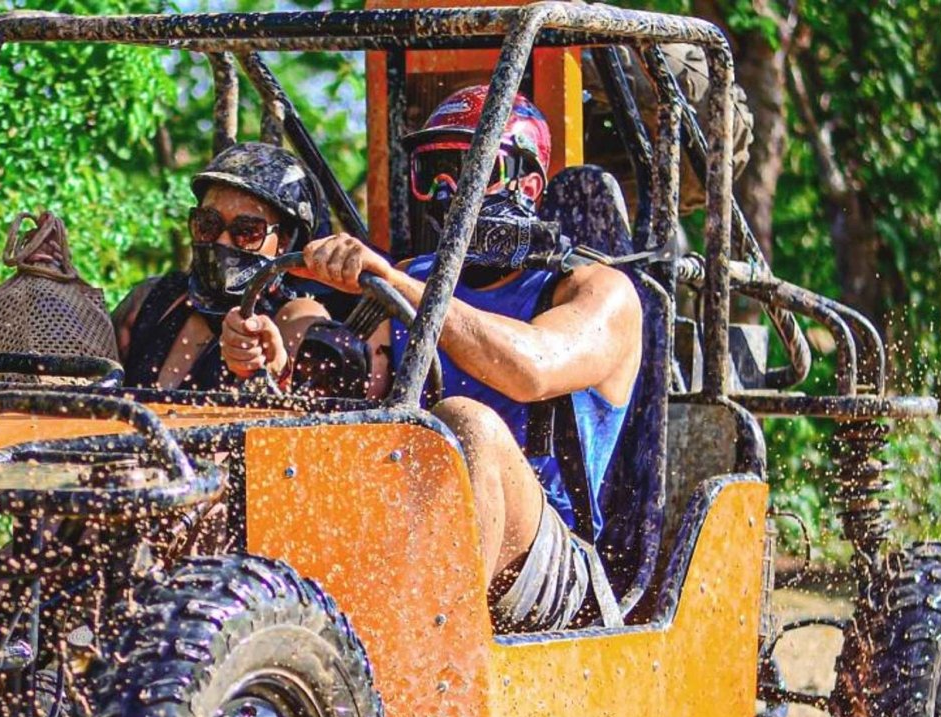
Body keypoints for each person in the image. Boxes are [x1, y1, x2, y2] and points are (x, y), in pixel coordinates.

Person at [296, 87, 644, 632]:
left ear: (527, 185)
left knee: (466, 427)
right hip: (409, 527)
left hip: (551, 563)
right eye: (433, 171)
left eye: (468, 168)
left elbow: (531, 368)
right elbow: (358, 400)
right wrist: (277, 348)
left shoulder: (596, 290)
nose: (445, 192)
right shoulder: (414, 274)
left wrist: (401, 286)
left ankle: (432, 659)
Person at [112, 142, 332, 392]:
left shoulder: (296, 317)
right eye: (208, 224)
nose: (222, 242)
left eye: (248, 231)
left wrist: (274, 372)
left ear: (284, 242)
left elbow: (307, 415)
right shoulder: (151, 300)